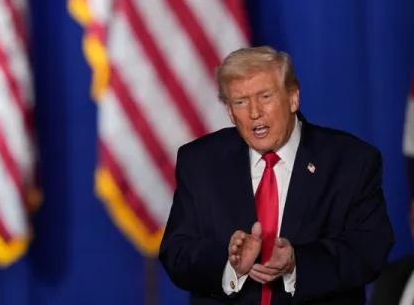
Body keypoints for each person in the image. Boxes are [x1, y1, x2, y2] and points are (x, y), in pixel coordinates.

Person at [159, 46, 395, 304]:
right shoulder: (200, 161)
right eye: (240, 101)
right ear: (229, 111)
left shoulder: (351, 161)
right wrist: (230, 266)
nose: (254, 113)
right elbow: (176, 251)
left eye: (265, 96)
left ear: (293, 97)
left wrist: (297, 264)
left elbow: (370, 249)